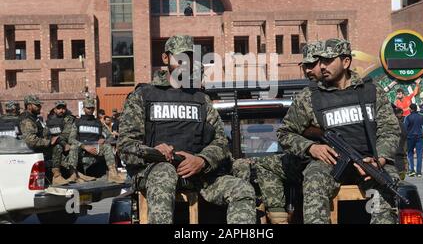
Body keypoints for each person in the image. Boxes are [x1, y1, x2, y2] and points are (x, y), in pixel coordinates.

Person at [117, 35, 256, 224]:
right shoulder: (142, 96)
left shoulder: (201, 99)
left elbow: (221, 143)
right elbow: (125, 146)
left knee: (243, 190)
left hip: (197, 176)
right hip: (154, 173)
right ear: (166, 58)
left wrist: (202, 160)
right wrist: (153, 152)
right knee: (164, 172)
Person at [278, 38, 401, 224]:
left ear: (346, 62)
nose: (322, 66)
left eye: (328, 61)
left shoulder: (371, 91)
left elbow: (390, 129)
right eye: (321, 61)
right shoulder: (309, 97)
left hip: (368, 162)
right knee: (313, 178)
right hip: (331, 164)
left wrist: (380, 158)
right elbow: (285, 133)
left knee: (387, 182)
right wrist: (310, 148)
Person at [238, 41, 325, 224]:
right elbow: (285, 133)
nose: (308, 70)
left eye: (312, 65)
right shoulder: (305, 98)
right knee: (266, 163)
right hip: (309, 162)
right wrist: (310, 146)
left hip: (342, 163)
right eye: (305, 66)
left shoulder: (353, 93)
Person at [67, 98, 124, 183]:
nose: (90, 110)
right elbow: (71, 139)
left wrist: (103, 139)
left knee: (107, 147)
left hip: (96, 149)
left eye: (92, 108)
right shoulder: (77, 122)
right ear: (84, 108)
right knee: (73, 147)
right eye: (88, 108)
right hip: (82, 149)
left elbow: (110, 137)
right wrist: (84, 146)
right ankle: (73, 175)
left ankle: (113, 174)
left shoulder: (98, 123)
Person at [20, 95, 68, 185]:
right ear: (29, 106)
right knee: (57, 147)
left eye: (40, 105)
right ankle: (57, 176)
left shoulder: (35, 118)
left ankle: (74, 173)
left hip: (41, 148)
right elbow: (31, 141)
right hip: (34, 151)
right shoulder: (27, 120)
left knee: (64, 147)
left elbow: (43, 133)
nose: (39, 107)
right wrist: (49, 142)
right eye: (36, 105)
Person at [404, 103, 423, 177]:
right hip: (419, 137)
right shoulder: (421, 117)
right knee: (419, 154)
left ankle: (412, 170)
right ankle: (418, 172)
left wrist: (404, 138)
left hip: (410, 137)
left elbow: (405, 128)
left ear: (411, 109)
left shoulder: (408, 117)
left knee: (410, 153)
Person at [393, 107, 408, 180]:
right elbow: (405, 134)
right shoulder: (400, 124)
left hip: (397, 150)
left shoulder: (400, 122)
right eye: (400, 113)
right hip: (398, 150)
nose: (401, 115)